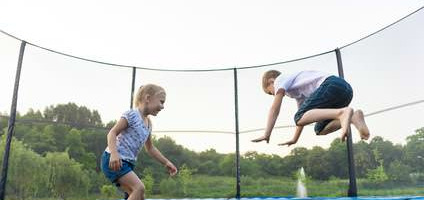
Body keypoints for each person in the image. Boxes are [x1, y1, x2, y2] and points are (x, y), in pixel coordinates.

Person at [252, 70, 370, 146]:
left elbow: (274, 109)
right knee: (319, 129)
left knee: (298, 117)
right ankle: (353, 118)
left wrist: (267, 133)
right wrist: (294, 139)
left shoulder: (280, 80)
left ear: (271, 81)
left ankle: (342, 113)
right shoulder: (298, 90)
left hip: (331, 85)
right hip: (345, 90)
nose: (274, 94)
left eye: (271, 92)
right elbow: (302, 119)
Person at [101, 84, 178, 200]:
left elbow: (150, 148)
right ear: (148, 98)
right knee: (139, 188)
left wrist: (166, 162)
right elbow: (112, 133)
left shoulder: (148, 124)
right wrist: (114, 153)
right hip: (114, 160)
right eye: (161, 102)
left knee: (139, 196)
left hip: (128, 163)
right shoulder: (132, 115)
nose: (162, 107)